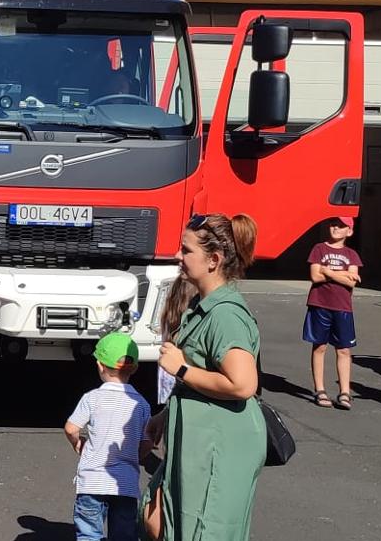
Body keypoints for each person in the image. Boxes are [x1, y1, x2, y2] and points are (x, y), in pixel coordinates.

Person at [147, 213, 263, 541]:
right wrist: (167, 413)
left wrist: (182, 368)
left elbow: (242, 384)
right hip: (197, 440)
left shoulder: (226, 315)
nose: (177, 256)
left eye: (186, 251)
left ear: (213, 260)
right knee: (161, 520)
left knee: (202, 530)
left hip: (218, 445)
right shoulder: (203, 304)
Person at [66, 332, 152, 541]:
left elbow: (71, 428)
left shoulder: (92, 398)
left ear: (99, 365)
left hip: (92, 481)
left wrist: (79, 443)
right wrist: (135, 456)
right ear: (135, 368)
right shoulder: (141, 404)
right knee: (123, 534)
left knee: (89, 534)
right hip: (125, 484)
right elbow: (147, 442)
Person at [305, 217, 362, 410]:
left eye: (341, 225)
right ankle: (319, 389)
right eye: (333, 224)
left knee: (344, 350)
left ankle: (344, 392)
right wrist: (343, 274)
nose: (335, 227)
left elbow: (351, 282)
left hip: (343, 306)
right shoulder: (319, 249)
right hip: (320, 303)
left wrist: (328, 271)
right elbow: (314, 276)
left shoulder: (351, 254)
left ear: (349, 231)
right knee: (319, 347)